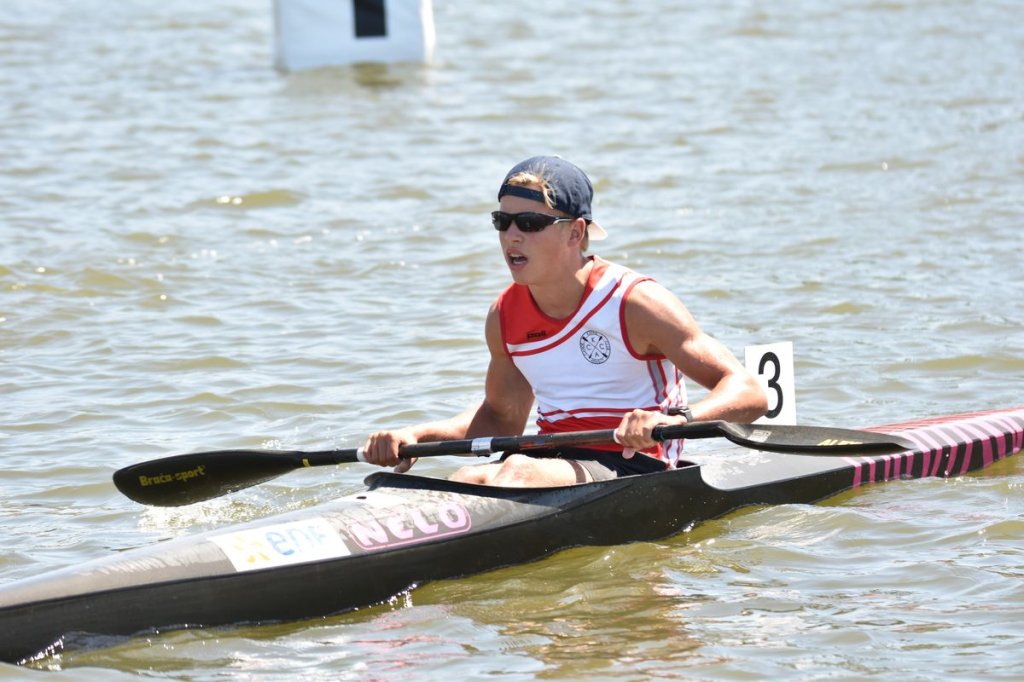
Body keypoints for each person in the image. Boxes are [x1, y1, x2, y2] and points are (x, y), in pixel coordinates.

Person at [362, 156, 767, 486]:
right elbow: (501, 418)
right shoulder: (504, 315)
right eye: (502, 222)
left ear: (575, 233)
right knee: (469, 476)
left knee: (516, 471)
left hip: (635, 461)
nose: (512, 236)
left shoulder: (635, 303)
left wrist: (676, 419)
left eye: (530, 224)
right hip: (548, 458)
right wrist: (416, 435)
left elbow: (750, 392)